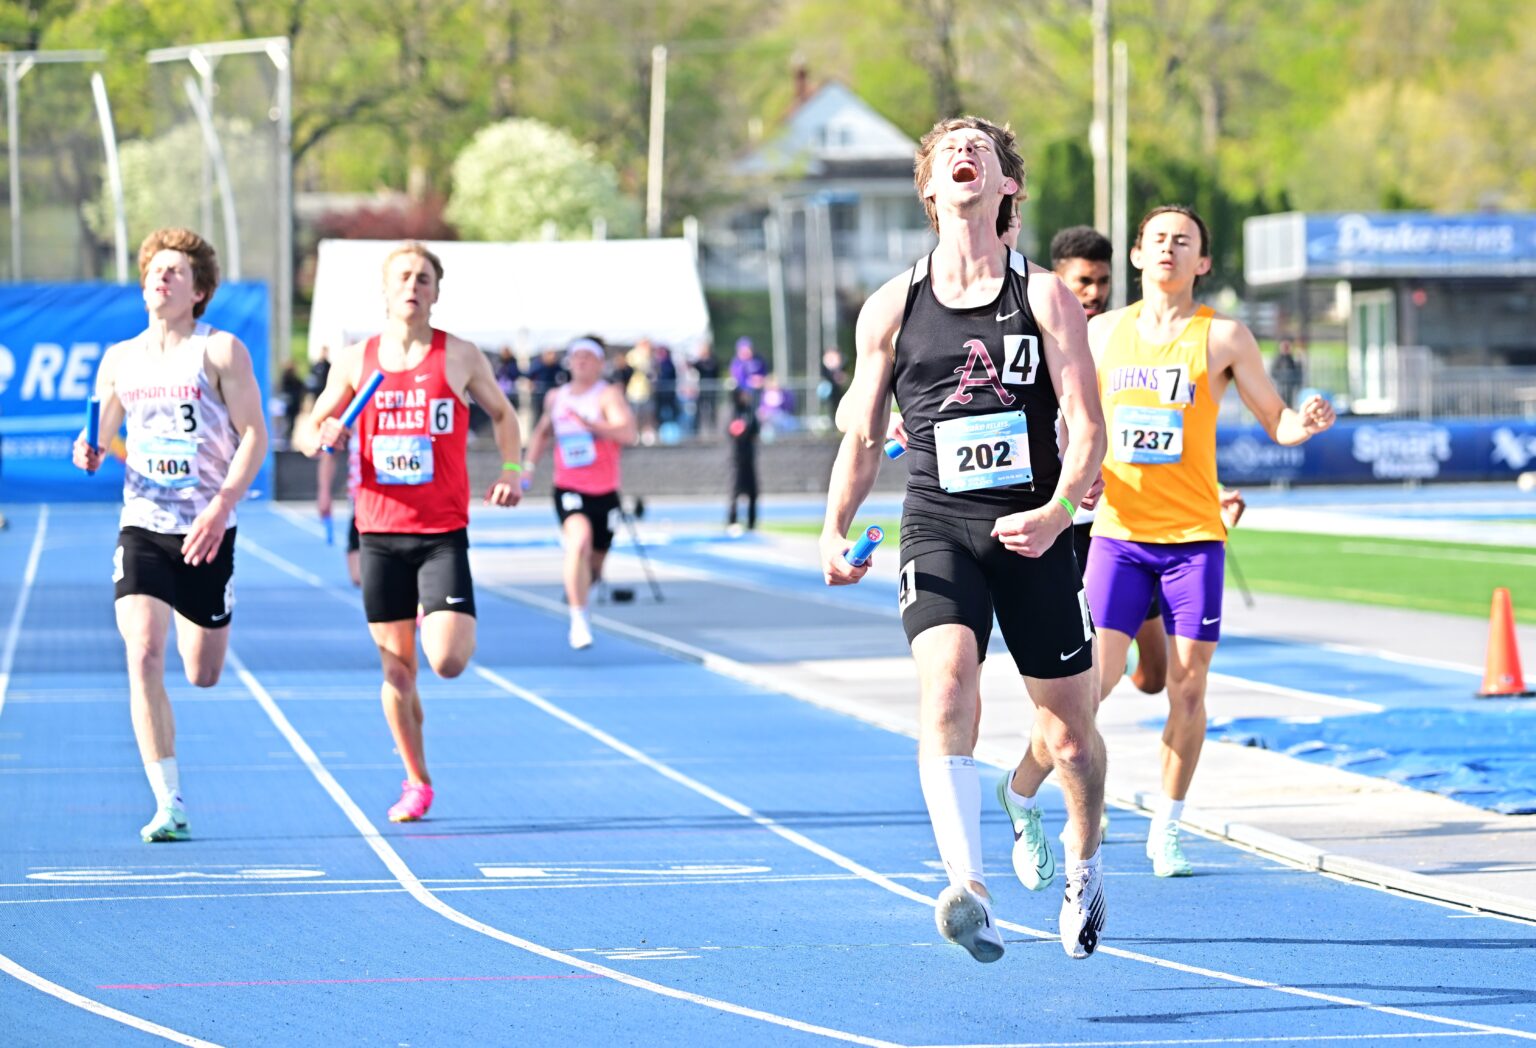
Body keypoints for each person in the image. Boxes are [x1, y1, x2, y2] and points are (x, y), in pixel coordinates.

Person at [822, 116, 1108, 962]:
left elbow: (1089, 427)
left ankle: (1087, 869)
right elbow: (863, 435)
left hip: (1032, 529)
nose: (964, 151)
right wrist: (833, 529)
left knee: (1067, 737)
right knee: (946, 686)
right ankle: (968, 887)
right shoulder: (891, 306)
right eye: (950, 146)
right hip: (938, 521)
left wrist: (1058, 512)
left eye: (980, 145)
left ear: (1006, 185)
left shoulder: (1047, 298)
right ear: (928, 188)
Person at [1011, 204, 1335, 880]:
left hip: (1193, 542)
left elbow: (1274, 420)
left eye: (1183, 240)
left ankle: (1168, 828)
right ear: (1137, 256)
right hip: (1119, 537)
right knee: (1085, 692)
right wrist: (1070, 482)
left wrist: (1301, 426)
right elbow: (1061, 419)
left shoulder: (1225, 339)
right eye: (1157, 239)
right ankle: (1019, 794)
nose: (1168, 248)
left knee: (1187, 690)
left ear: (1203, 262)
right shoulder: (1099, 334)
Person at [304, 241, 524, 823]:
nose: (412, 285)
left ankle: (436, 613)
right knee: (397, 671)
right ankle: (416, 781)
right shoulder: (356, 360)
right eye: (402, 277)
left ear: (435, 291)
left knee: (447, 661)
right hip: (378, 533)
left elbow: (503, 414)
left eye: (422, 278)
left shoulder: (460, 357)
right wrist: (320, 435)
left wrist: (511, 471)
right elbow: (316, 422)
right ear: (385, 290)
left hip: (439, 533)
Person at [71, 227, 269, 843]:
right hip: (145, 523)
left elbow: (256, 435)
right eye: (155, 270)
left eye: (176, 272)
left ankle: (218, 605)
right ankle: (169, 801)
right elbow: (101, 429)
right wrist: (91, 448)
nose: (162, 278)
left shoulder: (220, 352)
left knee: (202, 672)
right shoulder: (120, 359)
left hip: (208, 528)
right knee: (142, 654)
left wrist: (223, 504)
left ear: (200, 290)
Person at [523, 337, 638, 651]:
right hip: (569, 488)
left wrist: (591, 424)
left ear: (600, 363)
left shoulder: (608, 396)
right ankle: (579, 620)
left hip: (604, 491)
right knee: (579, 542)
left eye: (589, 357)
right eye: (577, 357)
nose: (582, 362)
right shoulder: (556, 397)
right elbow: (542, 433)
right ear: (569, 362)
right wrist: (527, 467)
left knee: (595, 565)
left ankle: (581, 588)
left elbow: (628, 433)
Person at [726, 388, 759, 532]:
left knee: (753, 492)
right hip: (736, 459)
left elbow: (756, 429)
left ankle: (752, 523)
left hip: (749, 457)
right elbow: (730, 430)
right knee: (735, 490)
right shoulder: (732, 412)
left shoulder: (750, 411)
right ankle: (732, 520)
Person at [691, 343, 721, 434]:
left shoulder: (713, 361)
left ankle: (713, 429)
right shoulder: (699, 362)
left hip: (711, 389)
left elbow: (713, 370)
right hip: (702, 389)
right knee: (699, 410)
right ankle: (697, 430)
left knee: (712, 409)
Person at [729, 336, 767, 401]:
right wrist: (750, 383)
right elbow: (738, 376)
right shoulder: (737, 362)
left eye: (749, 349)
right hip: (742, 391)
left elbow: (764, 372)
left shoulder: (758, 359)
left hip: (758, 390)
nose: (747, 352)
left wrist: (760, 380)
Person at [1270, 338, 1303, 409]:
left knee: (1289, 406)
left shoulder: (1292, 360)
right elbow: (1273, 373)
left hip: (1290, 390)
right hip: (1280, 388)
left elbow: (1298, 373)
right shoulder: (1277, 360)